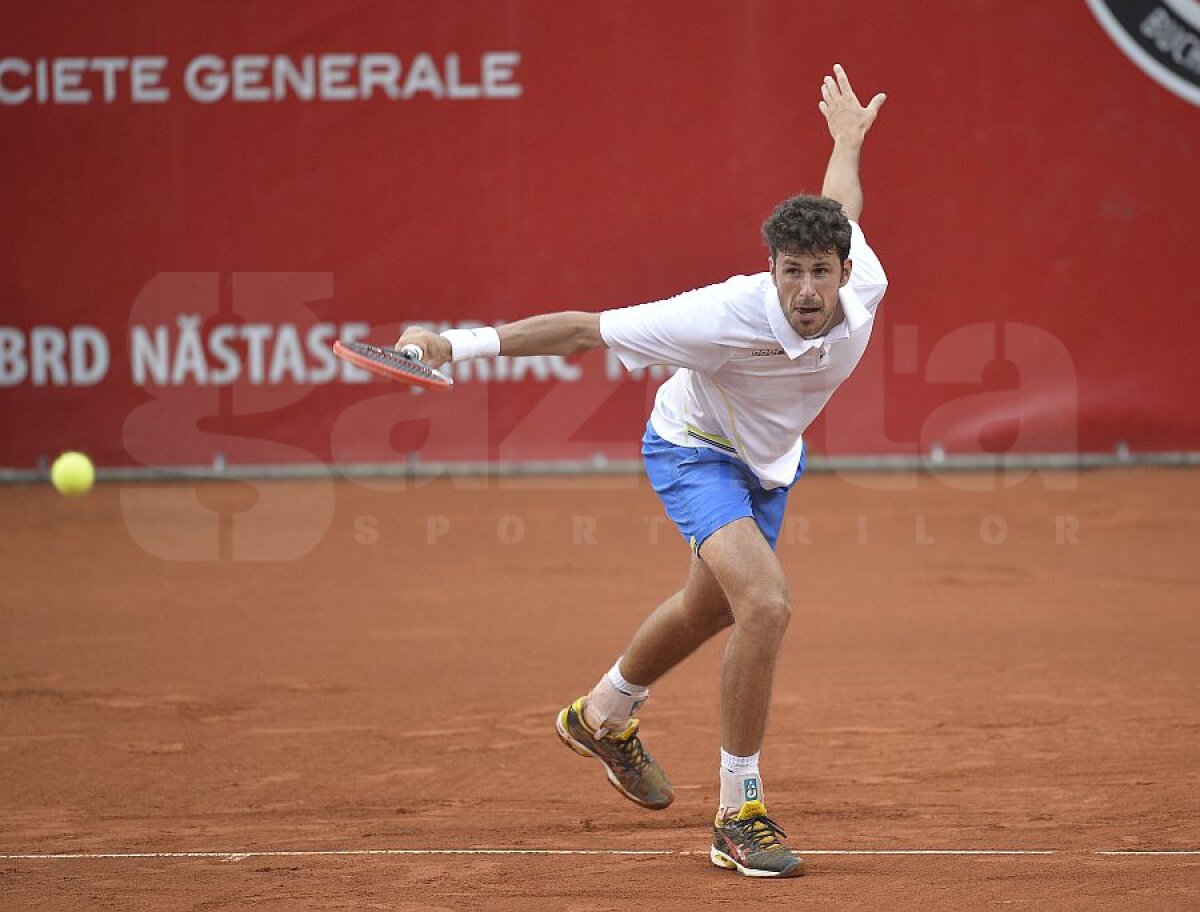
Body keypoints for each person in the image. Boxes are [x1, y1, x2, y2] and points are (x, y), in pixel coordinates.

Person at [396, 64, 887, 879]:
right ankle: (740, 813)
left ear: (845, 271)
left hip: (767, 464)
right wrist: (454, 344)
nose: (805, 289)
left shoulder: (863, 283)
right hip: (692, 445)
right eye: (789, 270)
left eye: (820, 271)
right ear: (770, 269)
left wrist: (844, 142)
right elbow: (584, 330)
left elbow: (846, 209)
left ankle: (603, 716)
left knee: (708, 610)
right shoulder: (721, 316)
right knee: (763, 604)